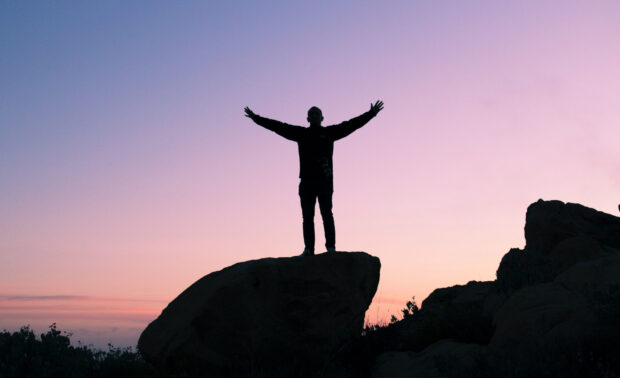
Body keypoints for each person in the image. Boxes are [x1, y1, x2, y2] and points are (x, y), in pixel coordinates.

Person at [244, 100, 384, 256]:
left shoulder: (329, 133)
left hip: (324, 181)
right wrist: (256, 118)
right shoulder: (302, 134)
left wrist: (370, 114)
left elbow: (351, 125)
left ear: (322, 118)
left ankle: (330, 248)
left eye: (316, 114)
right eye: (311, 114)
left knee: (327, 215)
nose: (314, 116)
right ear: (307, 119)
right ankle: (309, 249)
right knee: (308, 217)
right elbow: (278, 126)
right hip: (307, 182)